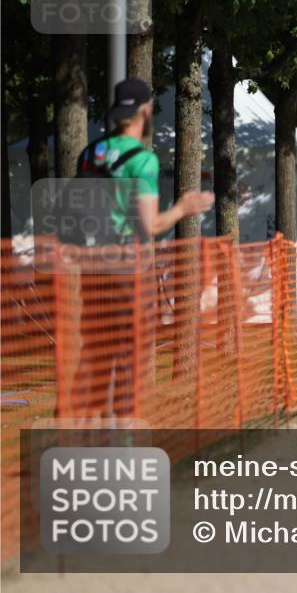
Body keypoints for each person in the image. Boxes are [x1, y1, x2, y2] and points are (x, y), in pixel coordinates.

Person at [71, 79, 214, 418]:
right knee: (129, 359)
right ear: (144, 110)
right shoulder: (143, 161)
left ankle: (88, 435)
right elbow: (150, 225)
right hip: (127, 270)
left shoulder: (90, 154)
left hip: (92, 269)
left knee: (96, 355)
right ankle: (122, 441)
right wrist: (183, 208)